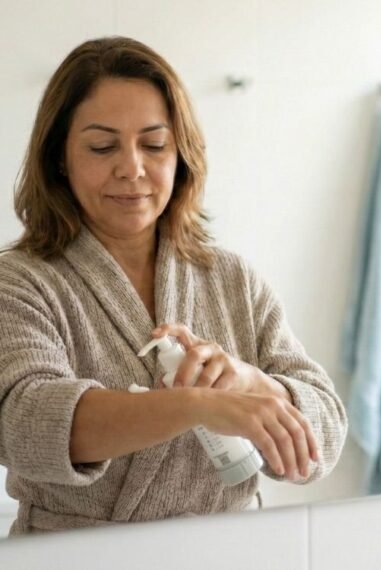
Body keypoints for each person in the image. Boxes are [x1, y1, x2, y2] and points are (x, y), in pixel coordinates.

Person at [0, 37, 347, 535]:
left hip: (229, 552)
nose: (132, 168)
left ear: (180, 153)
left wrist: (249, 384)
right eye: (102, 146)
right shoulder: (20, 282)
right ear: (60, 157)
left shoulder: (232, 280)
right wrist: (195, 405)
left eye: (154, 144)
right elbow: (25, 422)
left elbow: (326, 436)